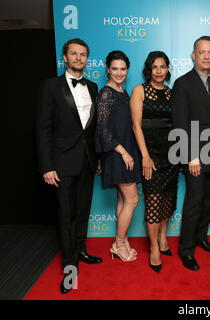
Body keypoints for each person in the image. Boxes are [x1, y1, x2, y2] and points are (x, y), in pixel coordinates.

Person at [35, 38, 102, 294]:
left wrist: (96, 157)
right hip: (61, 163)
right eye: (74, 54)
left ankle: (81, 250)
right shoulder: (50, 86)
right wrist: (46, 166)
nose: (78, 58)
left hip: (86, 160)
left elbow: (91, 129)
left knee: (83, 210)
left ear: (87, 58)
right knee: (66, 215)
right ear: (65, 57)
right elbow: (42, 129)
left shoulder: (93, 87)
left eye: (83, 54)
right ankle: (70, 267)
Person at [172, 35, 210, 271]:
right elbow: (180, 123)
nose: (206, 56)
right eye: (201, 51)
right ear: (193, 54)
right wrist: (191, 155)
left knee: (209, 200)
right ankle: (186, 250)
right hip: (195, 155)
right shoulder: (183, 83)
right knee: (194, 201)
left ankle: (201, 237)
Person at [130, 51, 179, 273]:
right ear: (148, 69)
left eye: (163, 66)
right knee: (153, 203)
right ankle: (153, 249)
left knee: (168, 199)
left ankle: (162, 238)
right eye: (154, 67)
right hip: (151, 155)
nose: (159, 71)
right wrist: (145, 156)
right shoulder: (139, 91)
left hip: (171, 154)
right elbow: (136, 126)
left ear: (168, 69)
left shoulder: (171, 93)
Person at [95, 50, 141, 263]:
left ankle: (122, 241)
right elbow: (102, 129)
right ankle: (119, 244)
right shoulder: (106, 93)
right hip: (117, 154)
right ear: (107, 69)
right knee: (132, 199)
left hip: (126, 152)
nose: (119, 73)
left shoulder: (123, 93)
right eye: (115, 68)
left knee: (123, 199)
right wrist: (123, 152)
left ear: (127, 70)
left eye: (123, 69)